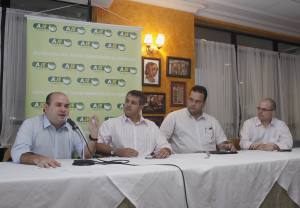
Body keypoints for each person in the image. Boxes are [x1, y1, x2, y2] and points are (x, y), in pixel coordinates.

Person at [11, 92, 96, 168]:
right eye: (58, 105)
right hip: (37, 172)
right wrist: (38, 159)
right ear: (46, 107)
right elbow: (18, 153)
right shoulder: (30, 124)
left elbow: (86, 156)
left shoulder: (73, 126)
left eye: (66, 106)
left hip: (64, 174)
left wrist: (93, 137)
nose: (63, 109)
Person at [90, 90, 171, 158]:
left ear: (141, 107)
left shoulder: (151, 126)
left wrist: (165, 150)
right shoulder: (111, 123)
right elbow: (97, 145)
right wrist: (117, 151)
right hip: (121, 168)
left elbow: (165, 145)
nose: (128, 105)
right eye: (127, 101)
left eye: (133, 103)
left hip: (147, 168)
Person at [160, 85, 236, 153]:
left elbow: (222, 144)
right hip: (184, 162)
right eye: (191, 99)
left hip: (210, 160)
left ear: (204, 104)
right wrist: (165, 149)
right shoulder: (173, 117)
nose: (193, 104)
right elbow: (160, 140)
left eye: (197, 101)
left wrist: (227, 146)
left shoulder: (213, 121)